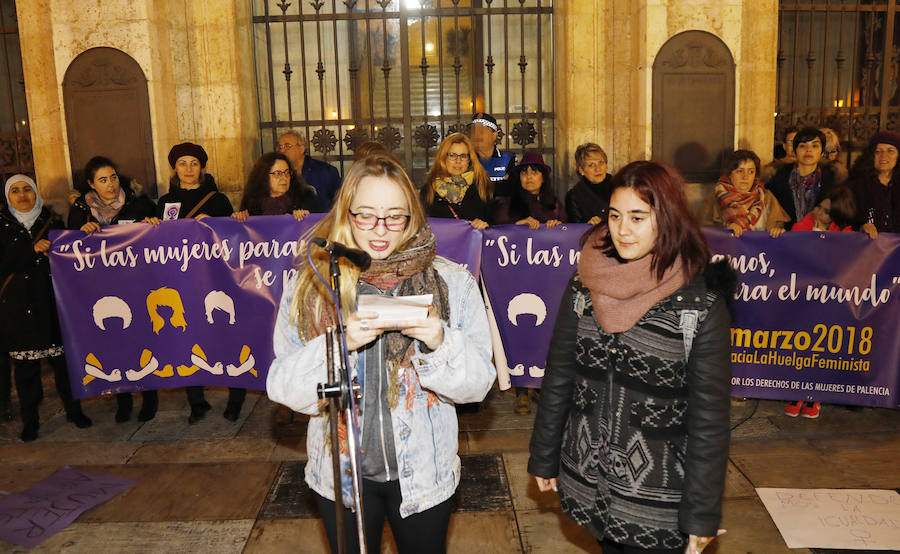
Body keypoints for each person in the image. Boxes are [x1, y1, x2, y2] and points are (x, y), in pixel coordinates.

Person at [266, 154, 495, 553]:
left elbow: (477, 387)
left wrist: (441, 341)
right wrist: (337, 345)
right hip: (340, 476)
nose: (380, 230)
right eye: (366, 216)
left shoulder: (452, 282)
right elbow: (284, 389)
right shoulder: (315, 286)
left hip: (425, 475)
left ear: (412, 216)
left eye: (394, 217)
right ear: (346, 213)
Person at [529, 161, 733, 554]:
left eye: (638, 217)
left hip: (660, 500)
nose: (622, 230)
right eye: (615, 215)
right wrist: (544, 456)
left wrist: (702, 514)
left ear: (667, 219)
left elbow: (709, 421)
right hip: (591, 482)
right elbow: (559, 377)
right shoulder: (584, 286)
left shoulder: (699, 306)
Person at [157, 142, 246, 424]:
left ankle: (236, 399)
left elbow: (234, 238)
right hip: (183, 281)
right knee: (188, 338)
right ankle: (196, 401)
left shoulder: (218, 200)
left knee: (228, 336)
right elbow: (158, 243)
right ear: (174, 168)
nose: (188, 169)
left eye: (194, 163)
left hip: (217, 279)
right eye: (182, 163)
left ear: (202, 167)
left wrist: (220, 223)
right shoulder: (164, 203)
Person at [68, 156, 160, 423]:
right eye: (103, 180)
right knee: (114, 344)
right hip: (101, 290)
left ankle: (149, 398)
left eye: (114, 178)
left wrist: (154, 226)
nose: (110, 184)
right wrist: (79, 231)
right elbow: (69, 248)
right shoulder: (80, 210)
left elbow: (158, 240)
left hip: (136, 285)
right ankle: (123, 399)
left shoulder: (139, 203)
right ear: (91, 184)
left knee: (142, 342)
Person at [1, 175, 93, 441]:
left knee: (64, 367)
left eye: (27, 189)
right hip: (18, 309)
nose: (22, 195)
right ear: (8, 197)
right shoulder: (2, 226)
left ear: (36, 192)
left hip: (52, 304)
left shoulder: (50, 221)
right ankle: (31, 421)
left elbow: (71, 252)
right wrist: (30, 251)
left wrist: (85, 234)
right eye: (15, 191)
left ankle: (74, 412)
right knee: (27, 372)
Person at [494, 150, 564, 415]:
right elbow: (497, 228)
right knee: (520, 331)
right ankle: (522, 390)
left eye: (535, 171)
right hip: (518, 280)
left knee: (548, 330)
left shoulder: (555, 204)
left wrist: (558, 226)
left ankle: (543, 384)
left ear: (543, 177)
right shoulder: (509, 204)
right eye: (525, 171)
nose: (529, 176)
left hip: (548, 281)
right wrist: (517, 225)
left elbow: (568, 234)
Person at [782, 185, 857, 419]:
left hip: (829, 302)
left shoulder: (846, 235)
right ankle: (797, 392)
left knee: (822, 349)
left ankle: (816, 396)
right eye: (818, 206)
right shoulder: (803, 225)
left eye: (825, 211)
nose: (817, 212)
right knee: (800, 346)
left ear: (836, 215)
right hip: (802, 299)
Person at [768, 126, 841, 229]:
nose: (808, 150)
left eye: (815, 146)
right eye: (802, 146)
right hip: (785, 238)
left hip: (819, 239)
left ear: (822, 153)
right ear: (794, 151)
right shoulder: (779, 179)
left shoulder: (832, 181)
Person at [422, 133, 493, 230]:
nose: (458, 161)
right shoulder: (429, 189)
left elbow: (496, 226)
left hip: (474, 244)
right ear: (443, 158)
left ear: (469, 159)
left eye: (463, 156)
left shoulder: (482, 185)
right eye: (452, 155)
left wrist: (486, 226)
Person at [714, 149, 790, 238]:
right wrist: (725, 231)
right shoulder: (716, 198)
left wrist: (777, 231)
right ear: (730, 174)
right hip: (728, 250)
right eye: (740, 171)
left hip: (760, 251)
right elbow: (705, 233)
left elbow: (778, 226)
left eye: (751, 172)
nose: (745, 177)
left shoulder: (767, 197)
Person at [232, 152, 318, 222]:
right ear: (264, 176)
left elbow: (319, 227)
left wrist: (307, 218)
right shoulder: (251, 202)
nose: (284, 178)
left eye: (287, 172)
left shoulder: (305, 197)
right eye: (277, 174)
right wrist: (239, 218)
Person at [848, 130, 900, 238]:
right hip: (867, 247)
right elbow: (847, 218)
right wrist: (861, 226)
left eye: (890, 151)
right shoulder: (857, 184)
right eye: (878, 151)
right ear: (871, 156)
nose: (883, 156)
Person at [278, 130, 342, 212]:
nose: (282, 151)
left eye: (287, 146)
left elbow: (340, 201)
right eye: (280, 147)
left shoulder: (325, 171)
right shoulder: (280, 174)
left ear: (302, 148)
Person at [565, 142, 612, 224]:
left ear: (606, 165)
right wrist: (587, 226)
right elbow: (574, 231)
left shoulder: (619, 186)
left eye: (601, 163)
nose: (598, 169)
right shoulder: (573, 196)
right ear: (581, 170)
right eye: (591, 165)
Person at [469, 113, 516, 191]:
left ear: (494, 135)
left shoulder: (508, 160)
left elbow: (510, 190)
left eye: (481, 131)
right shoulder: (466, 160)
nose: (476, 135)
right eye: (473, 131)